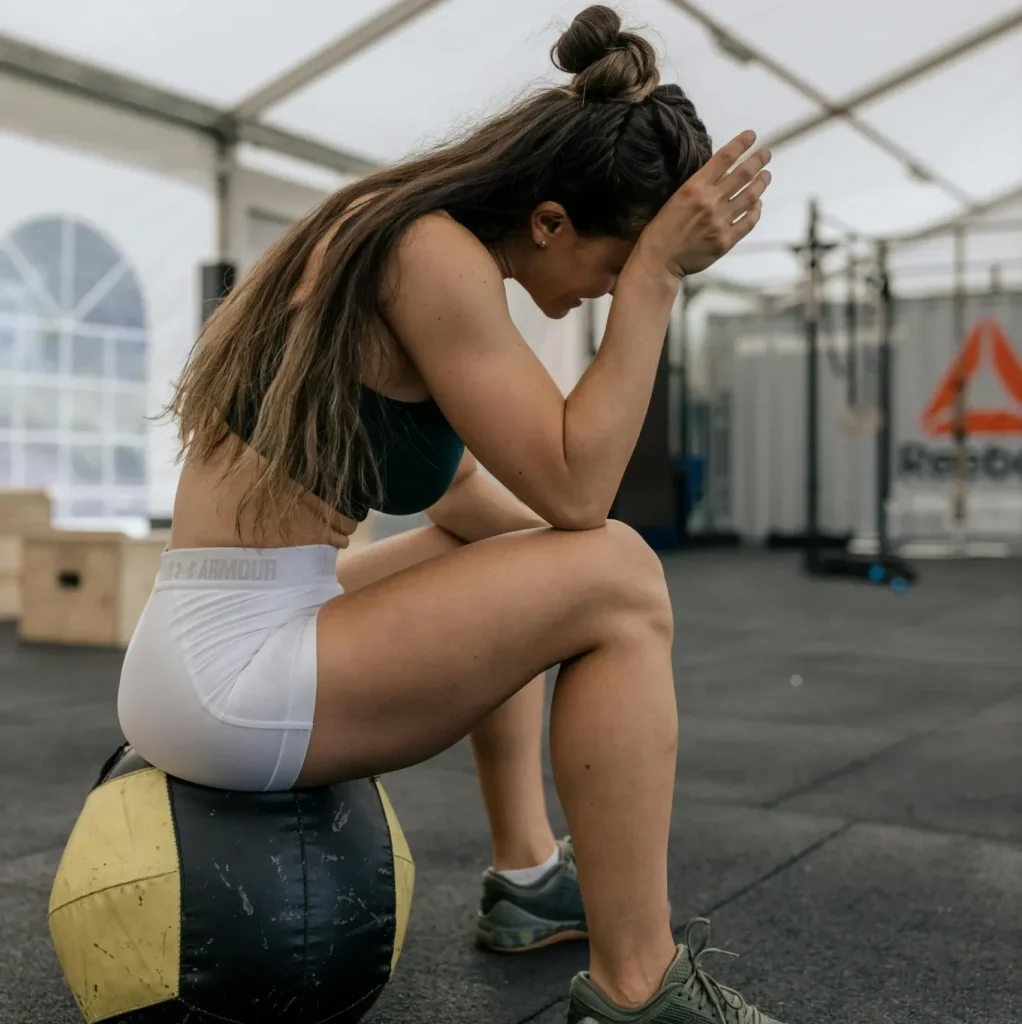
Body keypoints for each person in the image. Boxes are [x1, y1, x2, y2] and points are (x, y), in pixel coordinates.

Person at [118, 5, 783, 1022]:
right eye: (606, 267)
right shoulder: (434, 257)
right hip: (231, 675)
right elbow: (577, 491)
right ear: (550, 220)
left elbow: (482, 504)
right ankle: (636, 985)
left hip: (220, 630)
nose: (602, 293)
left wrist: (547, 571)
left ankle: (525, 877)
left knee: (521, 553)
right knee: (618, 574)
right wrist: (655, 280)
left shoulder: (411, 230)